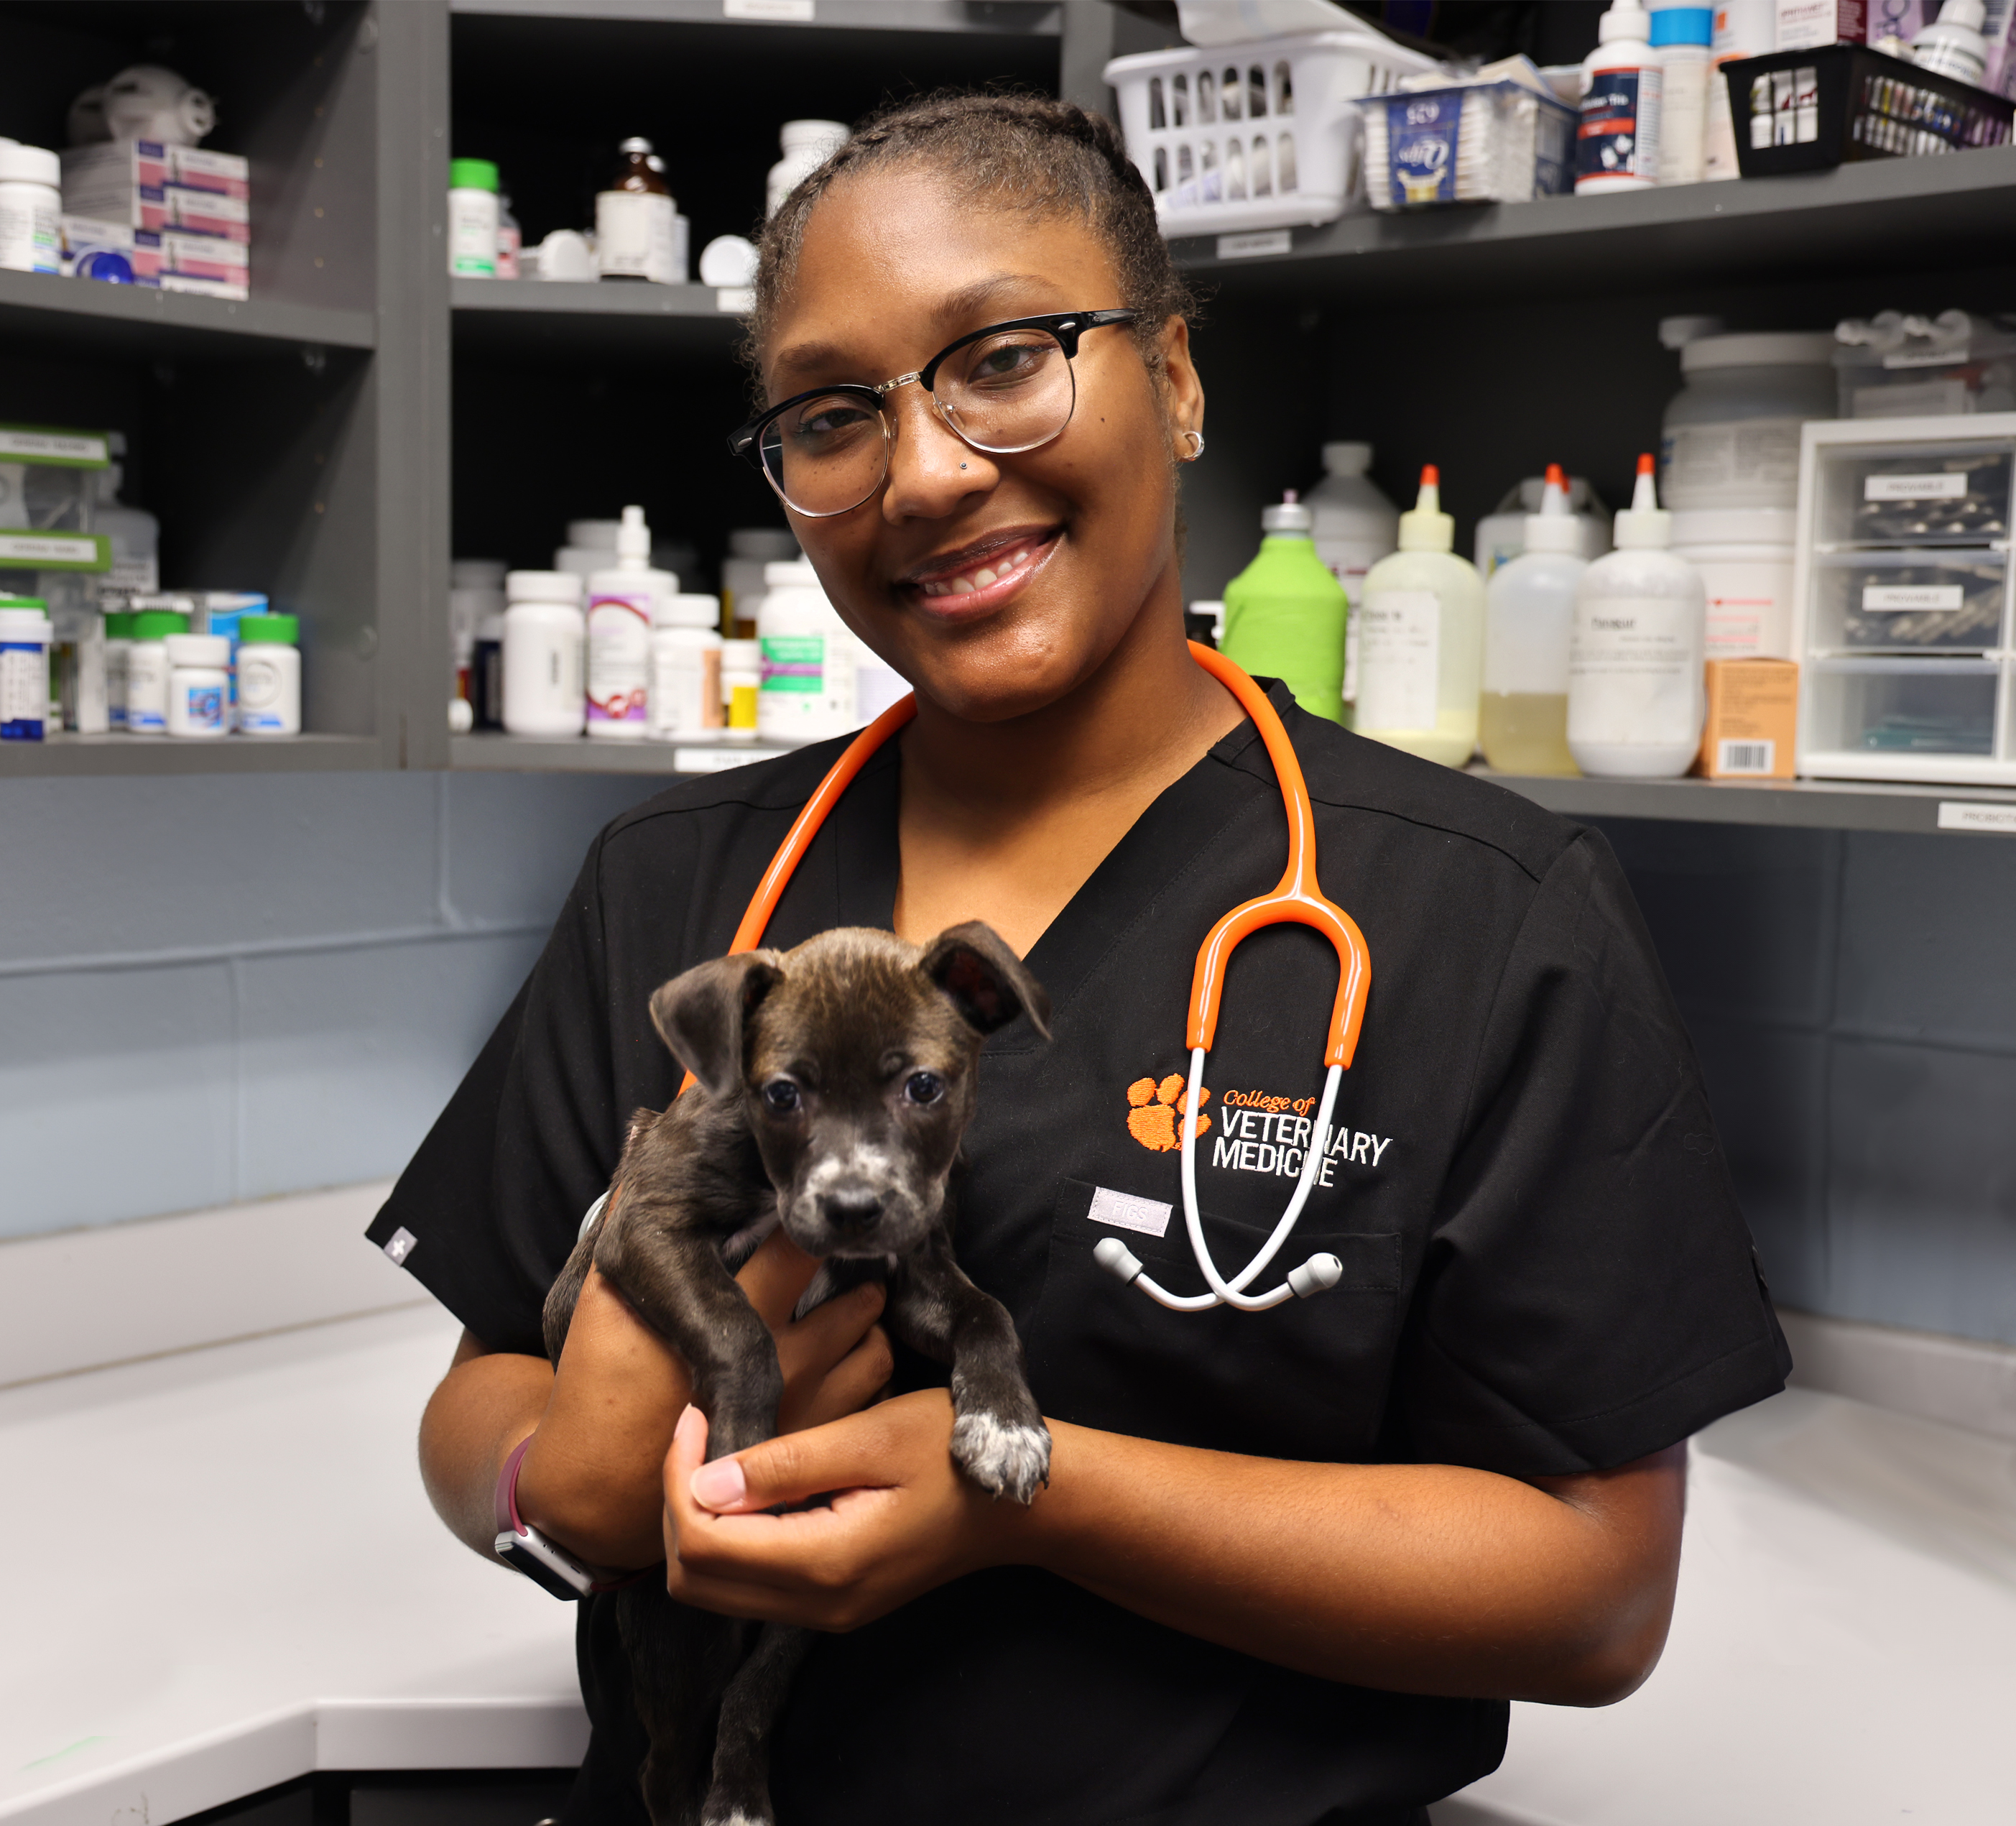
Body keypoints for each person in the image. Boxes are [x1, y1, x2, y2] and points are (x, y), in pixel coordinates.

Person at [371, 93, 1790, 1826]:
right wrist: (557, 1477)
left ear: (1175, 378)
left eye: (1002, 357)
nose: (924, 473)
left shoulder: (1481, 910)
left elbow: (1592, 1590)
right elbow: (473, 1416)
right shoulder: (677, 882)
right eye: (831, 415)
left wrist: (1026, 1497)